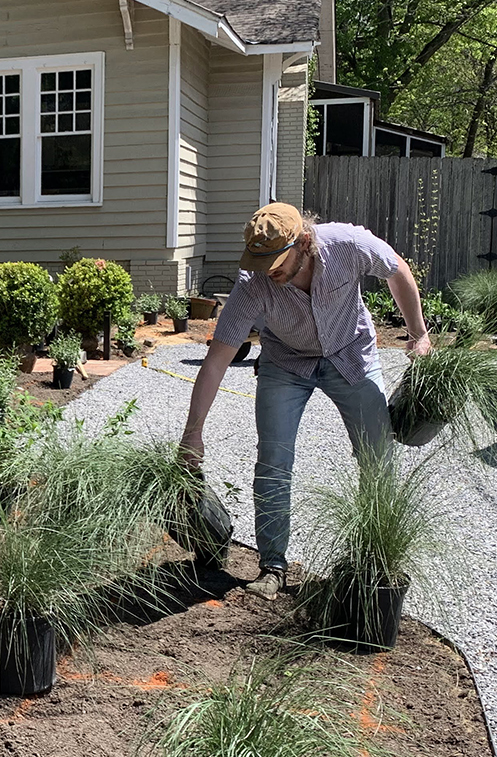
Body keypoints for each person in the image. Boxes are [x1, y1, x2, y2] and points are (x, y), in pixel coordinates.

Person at [178, 202, 431, 600]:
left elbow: (397, 269)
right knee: (274, 458)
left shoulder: (348, 244)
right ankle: (272, 566)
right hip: (287, 362)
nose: (269, 272)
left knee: (377, 454)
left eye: (278, 262)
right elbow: (216, 360)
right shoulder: (254, 282)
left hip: (350, 353)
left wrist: (418, 333)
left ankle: (370, 560)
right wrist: (192, 434)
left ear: (306, 242)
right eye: (261, 263)